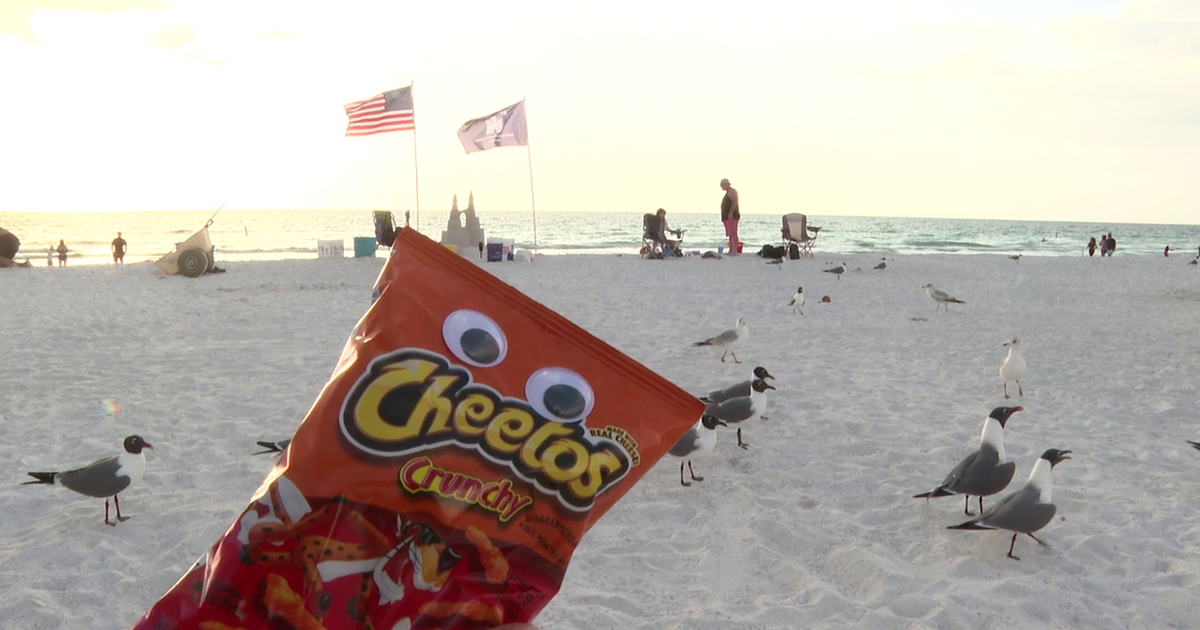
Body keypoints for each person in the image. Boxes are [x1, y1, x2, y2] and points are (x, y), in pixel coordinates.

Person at [719, 178, 739, 255]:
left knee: (733, 233)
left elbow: (735, 202)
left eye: (722, 185)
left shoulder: (732, 191)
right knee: (730, 234)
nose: (721, 187)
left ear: (726, 184)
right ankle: (731, 249)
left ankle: (734, 250)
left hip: (732, 215)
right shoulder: (728, 192)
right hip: (727, 216)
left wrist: (730, 212)